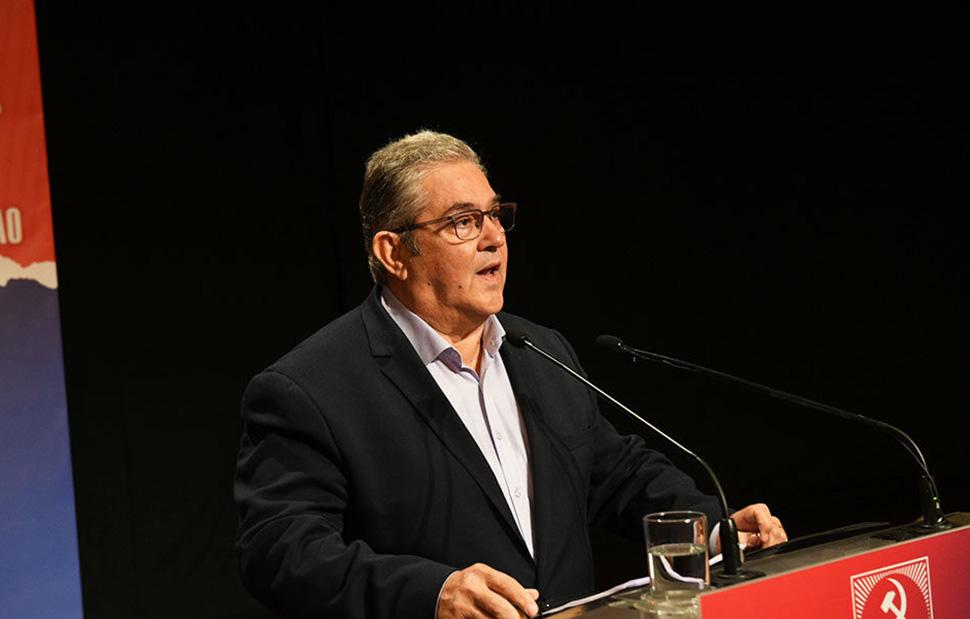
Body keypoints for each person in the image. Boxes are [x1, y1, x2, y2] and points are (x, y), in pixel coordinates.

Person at [234, 131, 786, 619]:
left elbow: (614, 475)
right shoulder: (312, 389)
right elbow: (280, 552)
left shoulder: (537, 350)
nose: (494, 237)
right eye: (463, 222)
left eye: (496, 215)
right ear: (394, 253)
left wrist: (714, 529)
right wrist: (431, 594)